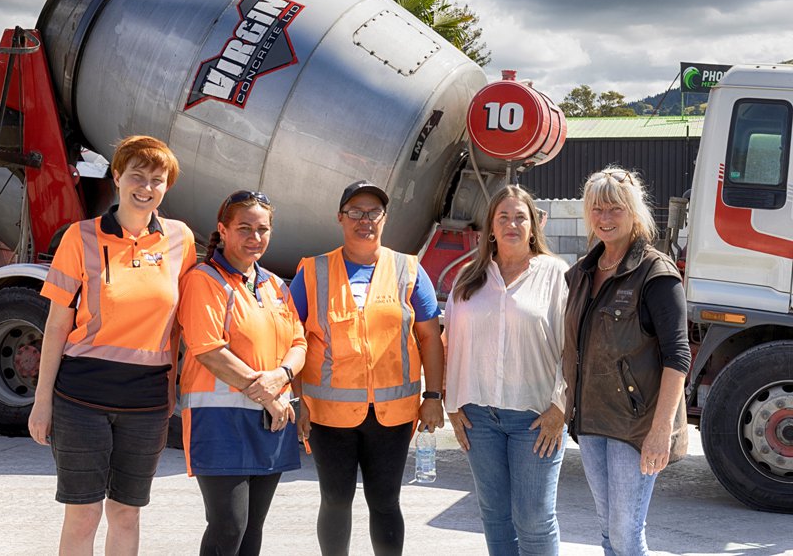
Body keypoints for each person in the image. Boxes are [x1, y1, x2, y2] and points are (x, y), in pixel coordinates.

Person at [27, 135, 196, 555]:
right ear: (117, 176)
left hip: (147, 401)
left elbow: (179, 327)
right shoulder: (80, 238)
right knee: (83, 514)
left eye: (158, 179)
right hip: (81, 397)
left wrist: (173, 388)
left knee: (126, 513)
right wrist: (41, 402)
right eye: (137, 175)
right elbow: (56, 325)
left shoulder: (180, 240)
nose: (146, 187)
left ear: (167, 187)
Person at [289, 179, 444, 556]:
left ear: (385, 219)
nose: (365, 220)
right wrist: (298, 402)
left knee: (386, 502)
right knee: (336, 501)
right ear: (340, 218)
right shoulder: (312, 272)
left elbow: (429, 338)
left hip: (392, 416)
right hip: (328, 417)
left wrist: (434, 396)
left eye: (374, 212)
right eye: (355, 212)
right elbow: (290, 339)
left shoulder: (408, 269)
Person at [562, 167, 690, 556]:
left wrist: (660, 431)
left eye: (615, 208)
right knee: (608, 531)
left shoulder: (656, 273)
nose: (605, 218)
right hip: (591, 421)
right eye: (597, 209)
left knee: (626, 534)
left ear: (635, 212)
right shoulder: (583, 272)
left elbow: (678, 356)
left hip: (635, 428)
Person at [176, 190, 306, 555]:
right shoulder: (205, 280)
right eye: (244, 228)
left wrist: (281, 377)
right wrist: (268, 394)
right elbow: (209, 351)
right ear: (223, 229)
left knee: (252, 530)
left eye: (263, 229)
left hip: (271, 420)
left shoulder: (275, 285)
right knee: (228, 527)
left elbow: (300, 344)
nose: (255, 238)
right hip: (220, 422)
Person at [444, 185, 569, 556]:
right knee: (494, 515)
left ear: (534, 226)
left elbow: (573, 349)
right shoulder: (469, 278)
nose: (512, 224)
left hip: (535, 418)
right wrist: (452, 404)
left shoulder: (555, 275)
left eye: (520, 217)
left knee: (534, 518)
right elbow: (450, 342)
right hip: (478, 418)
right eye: (504, 217)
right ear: (490, 228)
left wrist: (561, 408)